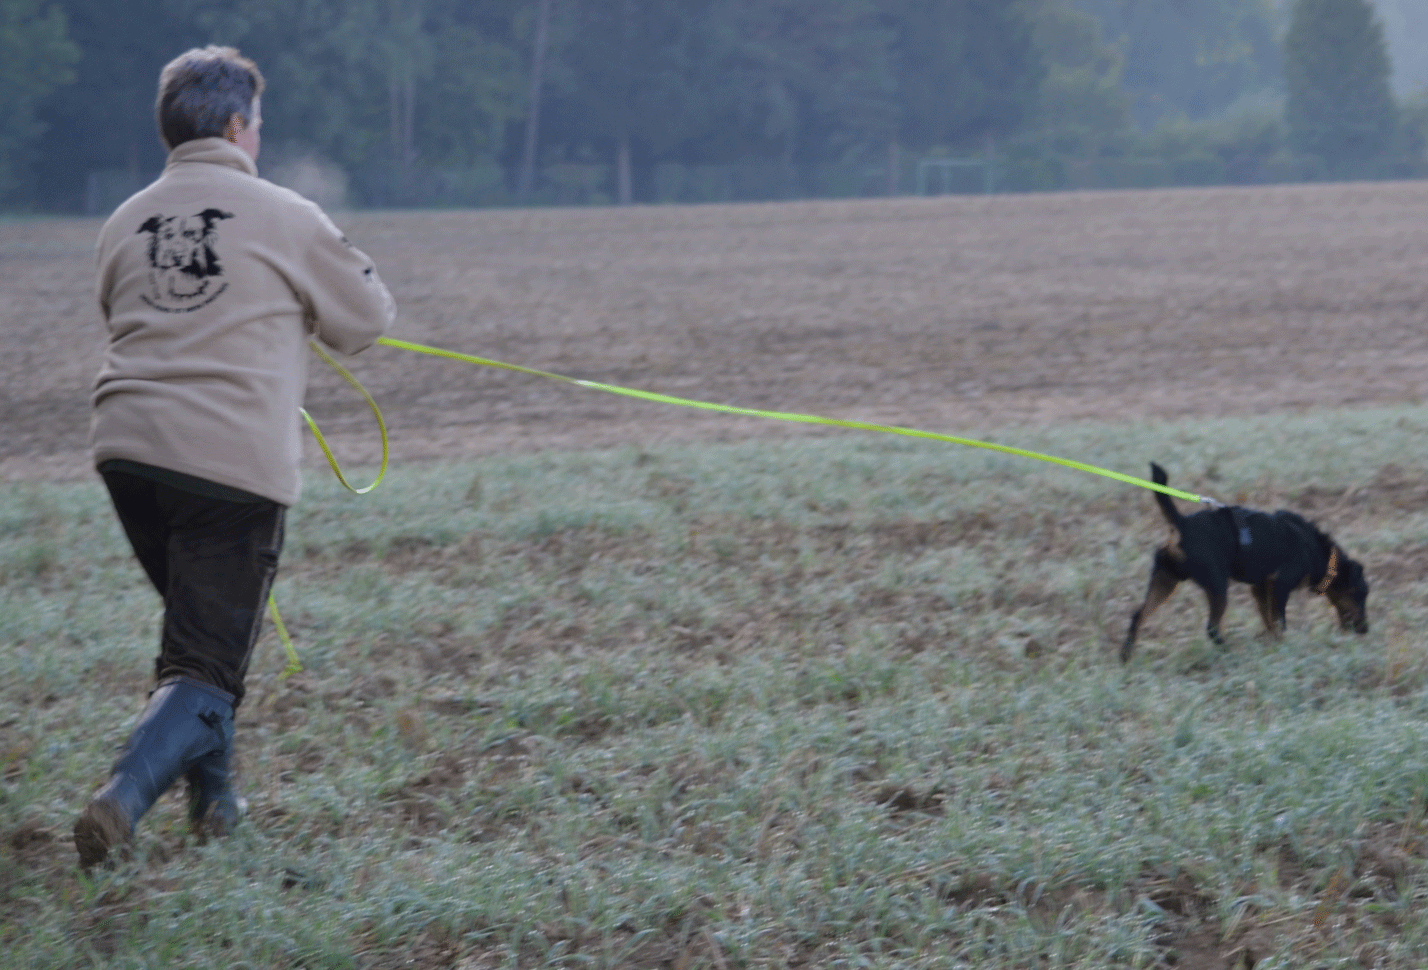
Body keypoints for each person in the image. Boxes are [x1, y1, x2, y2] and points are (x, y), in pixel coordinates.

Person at [74, 45, 395, 867]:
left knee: (199, 645)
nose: (257, 137)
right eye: (256, 125)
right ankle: (121, 799)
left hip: (125, 454)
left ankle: (216, 809)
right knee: (209, 664)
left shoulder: (123, 219)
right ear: (234, 126)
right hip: (228, 466)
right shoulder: (286, 211)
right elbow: (364, 318)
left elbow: (119, 311)